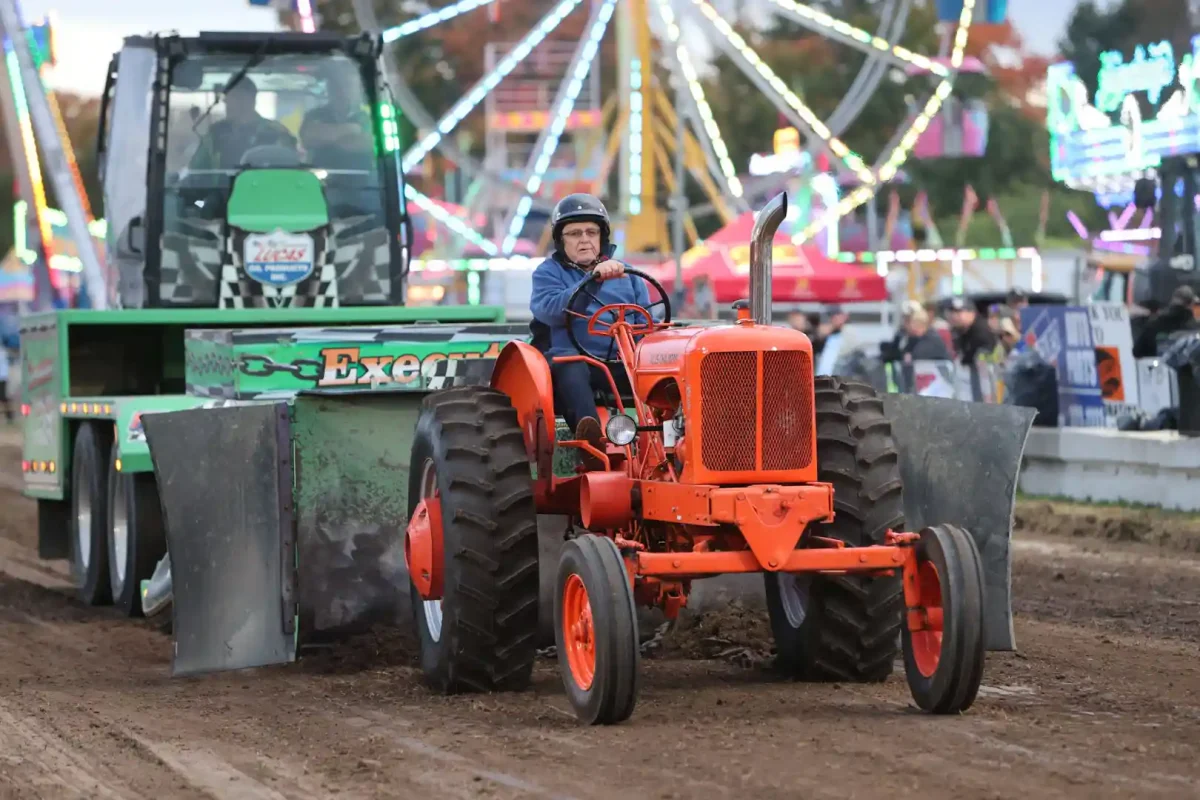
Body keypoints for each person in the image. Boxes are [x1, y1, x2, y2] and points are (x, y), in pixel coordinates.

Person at [530, 194, 651, 469]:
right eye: (574, 233)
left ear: (602, 237)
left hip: (622, 363)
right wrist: (592, 279)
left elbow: (646, 326)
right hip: (574, 361)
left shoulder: (629, 276)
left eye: (591, 232)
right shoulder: (547, 273)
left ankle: (674, 440)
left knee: (665, 368)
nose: (584, 239)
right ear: (561, 240)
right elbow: (552, 311)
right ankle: (593, 445)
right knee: (570, 368)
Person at [189, 78, 297, 170]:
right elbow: (195, 170)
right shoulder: (215, 133)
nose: (226, 102)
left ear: (248, 100)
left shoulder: (276, 133)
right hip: (221, 194)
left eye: (232, 96)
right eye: (226, 97)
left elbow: (292, 172)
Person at [299, 66, 375, 170]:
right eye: (336, 86)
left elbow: (368, 143)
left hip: (362, 181)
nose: (342, 91)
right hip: (318, 181)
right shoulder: (314, 115)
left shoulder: (369, 116)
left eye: (347, 86)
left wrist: (326, 136)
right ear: (329, 89)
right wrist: (352, 129)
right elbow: (308, 138)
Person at [1132, 285, 1200, 357]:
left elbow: (1137, 352)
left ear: (1172, 300)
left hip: (1157, 366)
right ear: (1190, 304)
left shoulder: (1155, 324)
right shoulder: (1195, 327)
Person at [945, 295, 999, 366]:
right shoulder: (959, 331)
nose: (954, 315)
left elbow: (982, 362)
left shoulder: (982, 332)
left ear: (972, 313)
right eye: (952, 311)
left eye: (958, 312)